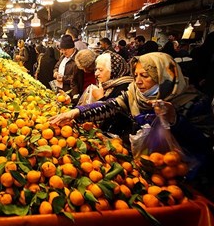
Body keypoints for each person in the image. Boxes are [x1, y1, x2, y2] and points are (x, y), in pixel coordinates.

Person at [49, 52, 214, 198]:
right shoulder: (134, 94)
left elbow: (205, 141)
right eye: (136, 75)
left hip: (185, 176)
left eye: (145, 76)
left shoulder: (194, 102)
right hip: (147, 168)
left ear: (163, 75)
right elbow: (109, 105)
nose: (139, 81)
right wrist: (76, 112)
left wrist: (175, 120)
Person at [77, 50, 134, 141]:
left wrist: (101, 98)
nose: (96, 74)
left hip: (118, 141)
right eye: (96, 69)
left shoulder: (126, 87)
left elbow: (117, 114)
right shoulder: (108, 85)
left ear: (113, 70)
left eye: (101, 70)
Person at [52, 35, 80, 101]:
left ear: (72, 48)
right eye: (62, 50)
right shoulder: (63, 57)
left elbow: (78, 79)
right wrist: (55, 72)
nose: (63, 52)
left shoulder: (77, 59)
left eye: (65, 50)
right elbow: (56, 66)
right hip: (60, 90)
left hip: (70, 93)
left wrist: (64, 79)